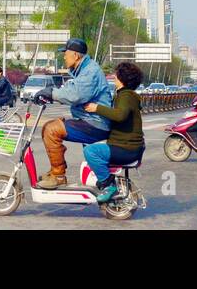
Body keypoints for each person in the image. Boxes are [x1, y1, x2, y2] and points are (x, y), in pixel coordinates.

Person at [37, 38, 113, 189]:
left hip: (95, 123)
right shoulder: (84, 70)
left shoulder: (90, 72)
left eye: (66, 53)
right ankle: (56, 171)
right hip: (89, 120)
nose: (64, 57)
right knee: (49, 126)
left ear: (76, 55)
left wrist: (52, 93)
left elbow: (75, 95)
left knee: (51, 130)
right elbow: (70, 91)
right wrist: (52, 94)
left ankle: (58, 176)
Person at [83, 61, 146, 204]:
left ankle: (108, 184)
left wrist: (96, 108)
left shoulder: (126, 96)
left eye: (116, 75)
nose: (114, 77)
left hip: (127, 149)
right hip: (128, 147)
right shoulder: (126, 95)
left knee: (91, 151)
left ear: (122, 78)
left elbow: (119, 115)